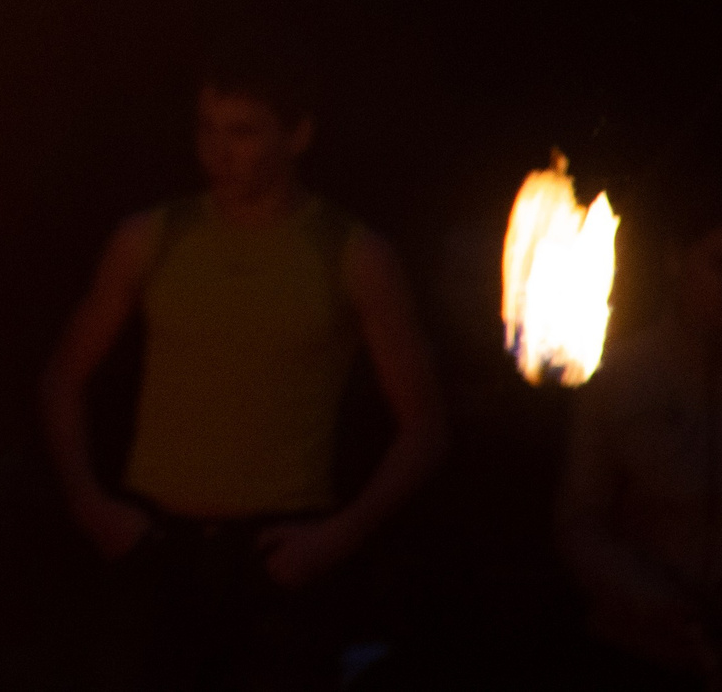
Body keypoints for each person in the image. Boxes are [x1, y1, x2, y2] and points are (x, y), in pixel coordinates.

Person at [38, 62, 445, 691]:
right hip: (157, 544)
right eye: (207, 130)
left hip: (277, 551)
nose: (218, 152)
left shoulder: (352, 254)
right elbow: (65, 374)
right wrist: (90, 504)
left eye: (244, 132)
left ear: (298, 135)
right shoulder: (153, 236)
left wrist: (336, 538)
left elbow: (423, 425)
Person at [559, 182, 722, 690]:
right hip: (637, 651)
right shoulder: (622, 378)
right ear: (676, 262)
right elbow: (582, 522)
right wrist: (648, 597)